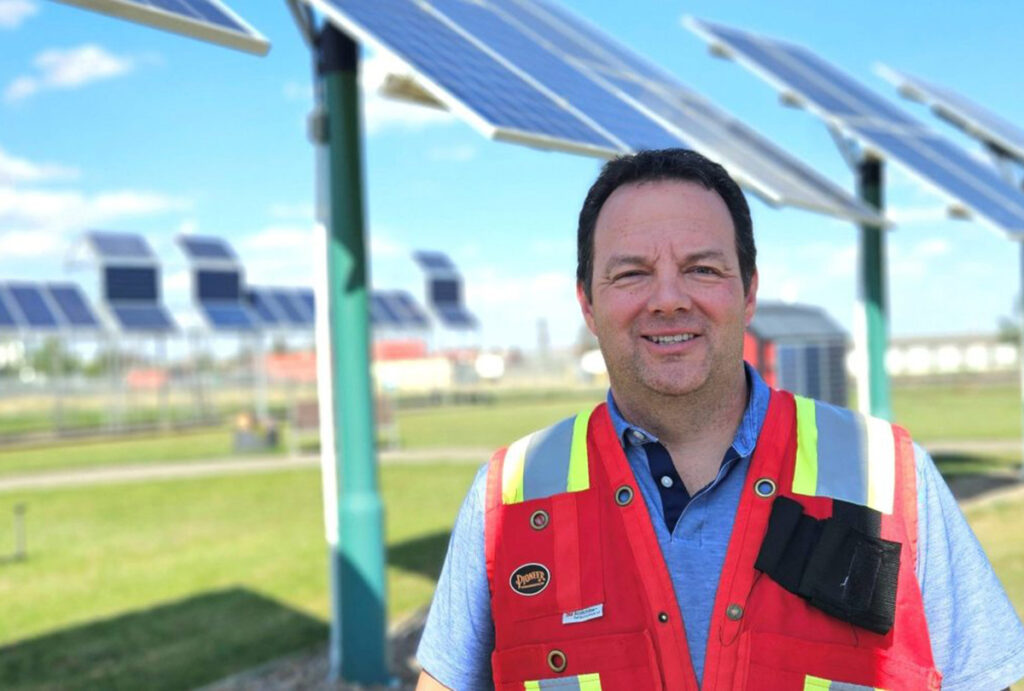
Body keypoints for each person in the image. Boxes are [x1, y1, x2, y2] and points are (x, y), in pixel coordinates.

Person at [415, 149, 1024, 690]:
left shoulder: (891, 477)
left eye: (703, 268)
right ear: (587, 303)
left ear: (749, 291)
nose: (669, 298)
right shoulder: (509, 498)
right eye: (631, 273)